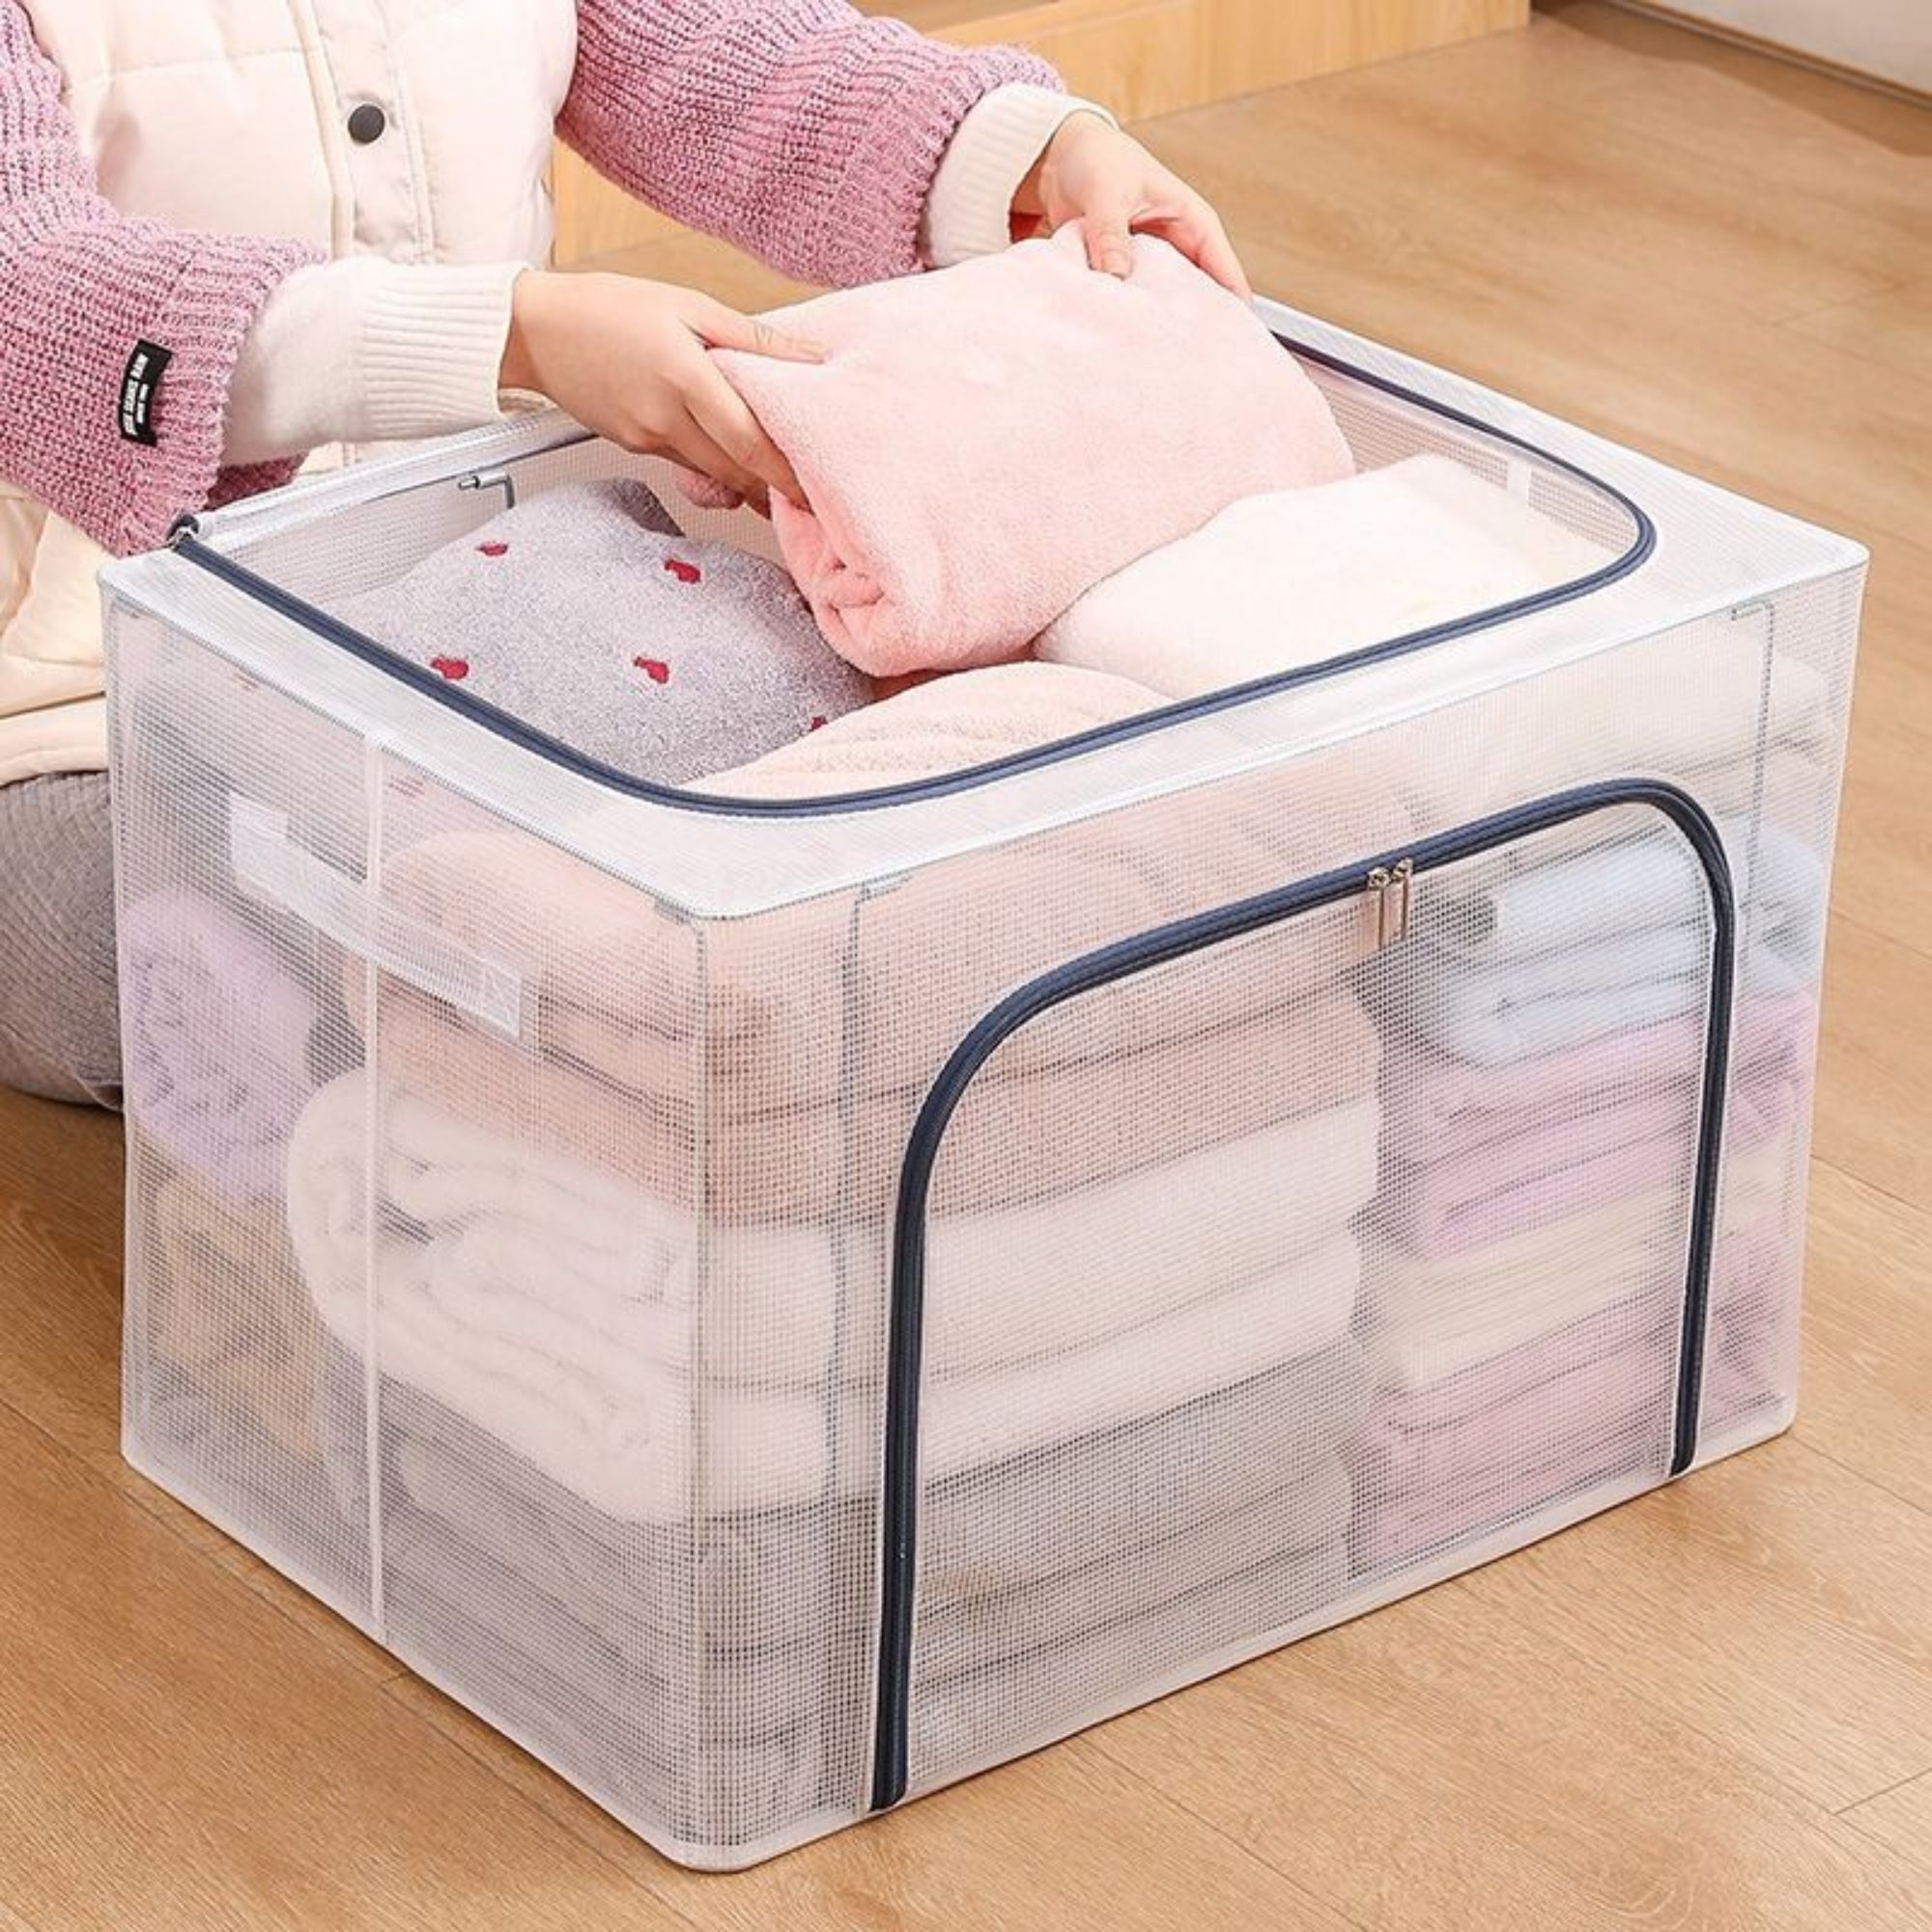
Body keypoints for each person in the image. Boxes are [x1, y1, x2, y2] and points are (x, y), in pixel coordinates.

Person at [0, 0, 1248, 1112]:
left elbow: (722, 61)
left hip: (513, 592)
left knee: (897, 770)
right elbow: (24, 286)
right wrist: (517, 335)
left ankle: (658, 1014)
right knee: (142, 941)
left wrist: (1021, 149)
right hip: (90, 694)